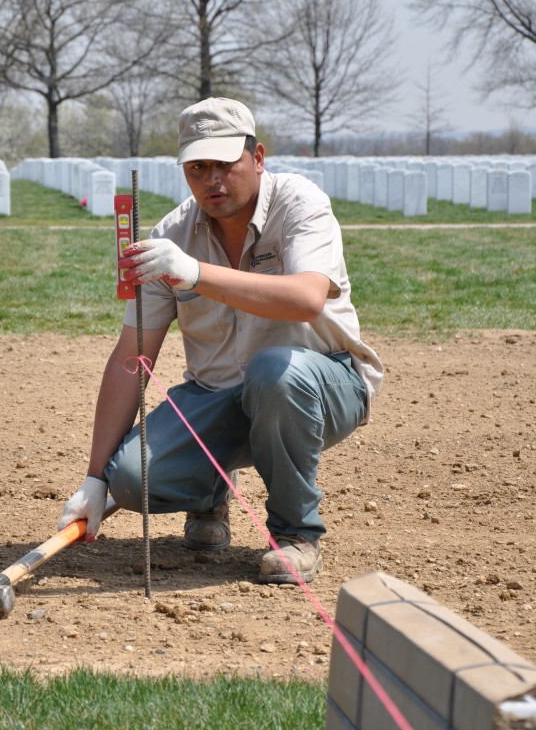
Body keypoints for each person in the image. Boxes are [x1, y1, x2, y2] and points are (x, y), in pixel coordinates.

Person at [58, 97, 383, 584]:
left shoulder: (300, 203)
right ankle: (210, 497)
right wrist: (93, 476)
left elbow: (307, 299)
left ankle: (296, 534)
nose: (211, 180)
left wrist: (193, 273)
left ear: (257, 158)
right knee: (129, 478)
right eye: (197, 167)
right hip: (218, 395)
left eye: (225, 164)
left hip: (320, 385)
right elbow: (132, 356)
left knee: (275, 374)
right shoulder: (171, 233)